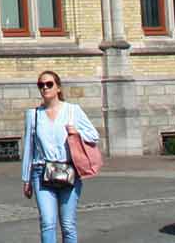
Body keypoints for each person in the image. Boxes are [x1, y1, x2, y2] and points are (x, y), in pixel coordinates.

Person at [20, 71, 100, 243]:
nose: (45, 88)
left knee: (68, 224)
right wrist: (26, 179)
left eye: (49, 84)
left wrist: (77, 132)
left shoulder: (73, 110)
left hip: (69, 171)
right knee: (48, 223)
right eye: (41, 85)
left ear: (58, 87)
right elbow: (29, 147)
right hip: (41, 171)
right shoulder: (33, 115)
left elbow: (94, 135)